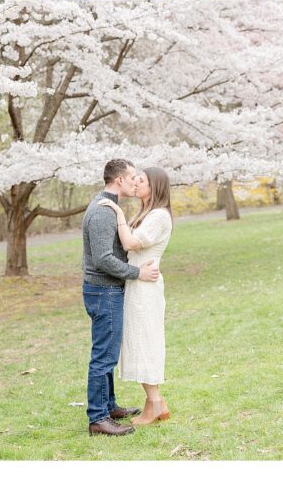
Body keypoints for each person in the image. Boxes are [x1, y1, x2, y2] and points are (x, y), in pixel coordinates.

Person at [81, 159, 159, 437]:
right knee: (104, 356)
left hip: (104, 290)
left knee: (107, 354)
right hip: (104, 290)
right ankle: (98, 418)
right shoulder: (103, 212)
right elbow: (103, 259)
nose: (135, 182)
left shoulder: (106, 206)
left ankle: (108, 405)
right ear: (118, 181)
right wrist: (137, 272)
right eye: (132, 177)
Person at [98, 167, 173, 426]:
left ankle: (154, 404)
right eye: (136, 179)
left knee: (144, 342)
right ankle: (156, 403)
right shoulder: (147, 213)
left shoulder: (159, 216)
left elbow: (130, 244)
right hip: (137, 281)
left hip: (145, 286)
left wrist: (118, 212)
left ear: (155, 187)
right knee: (138, 341)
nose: (137, 183)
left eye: (142, 180)